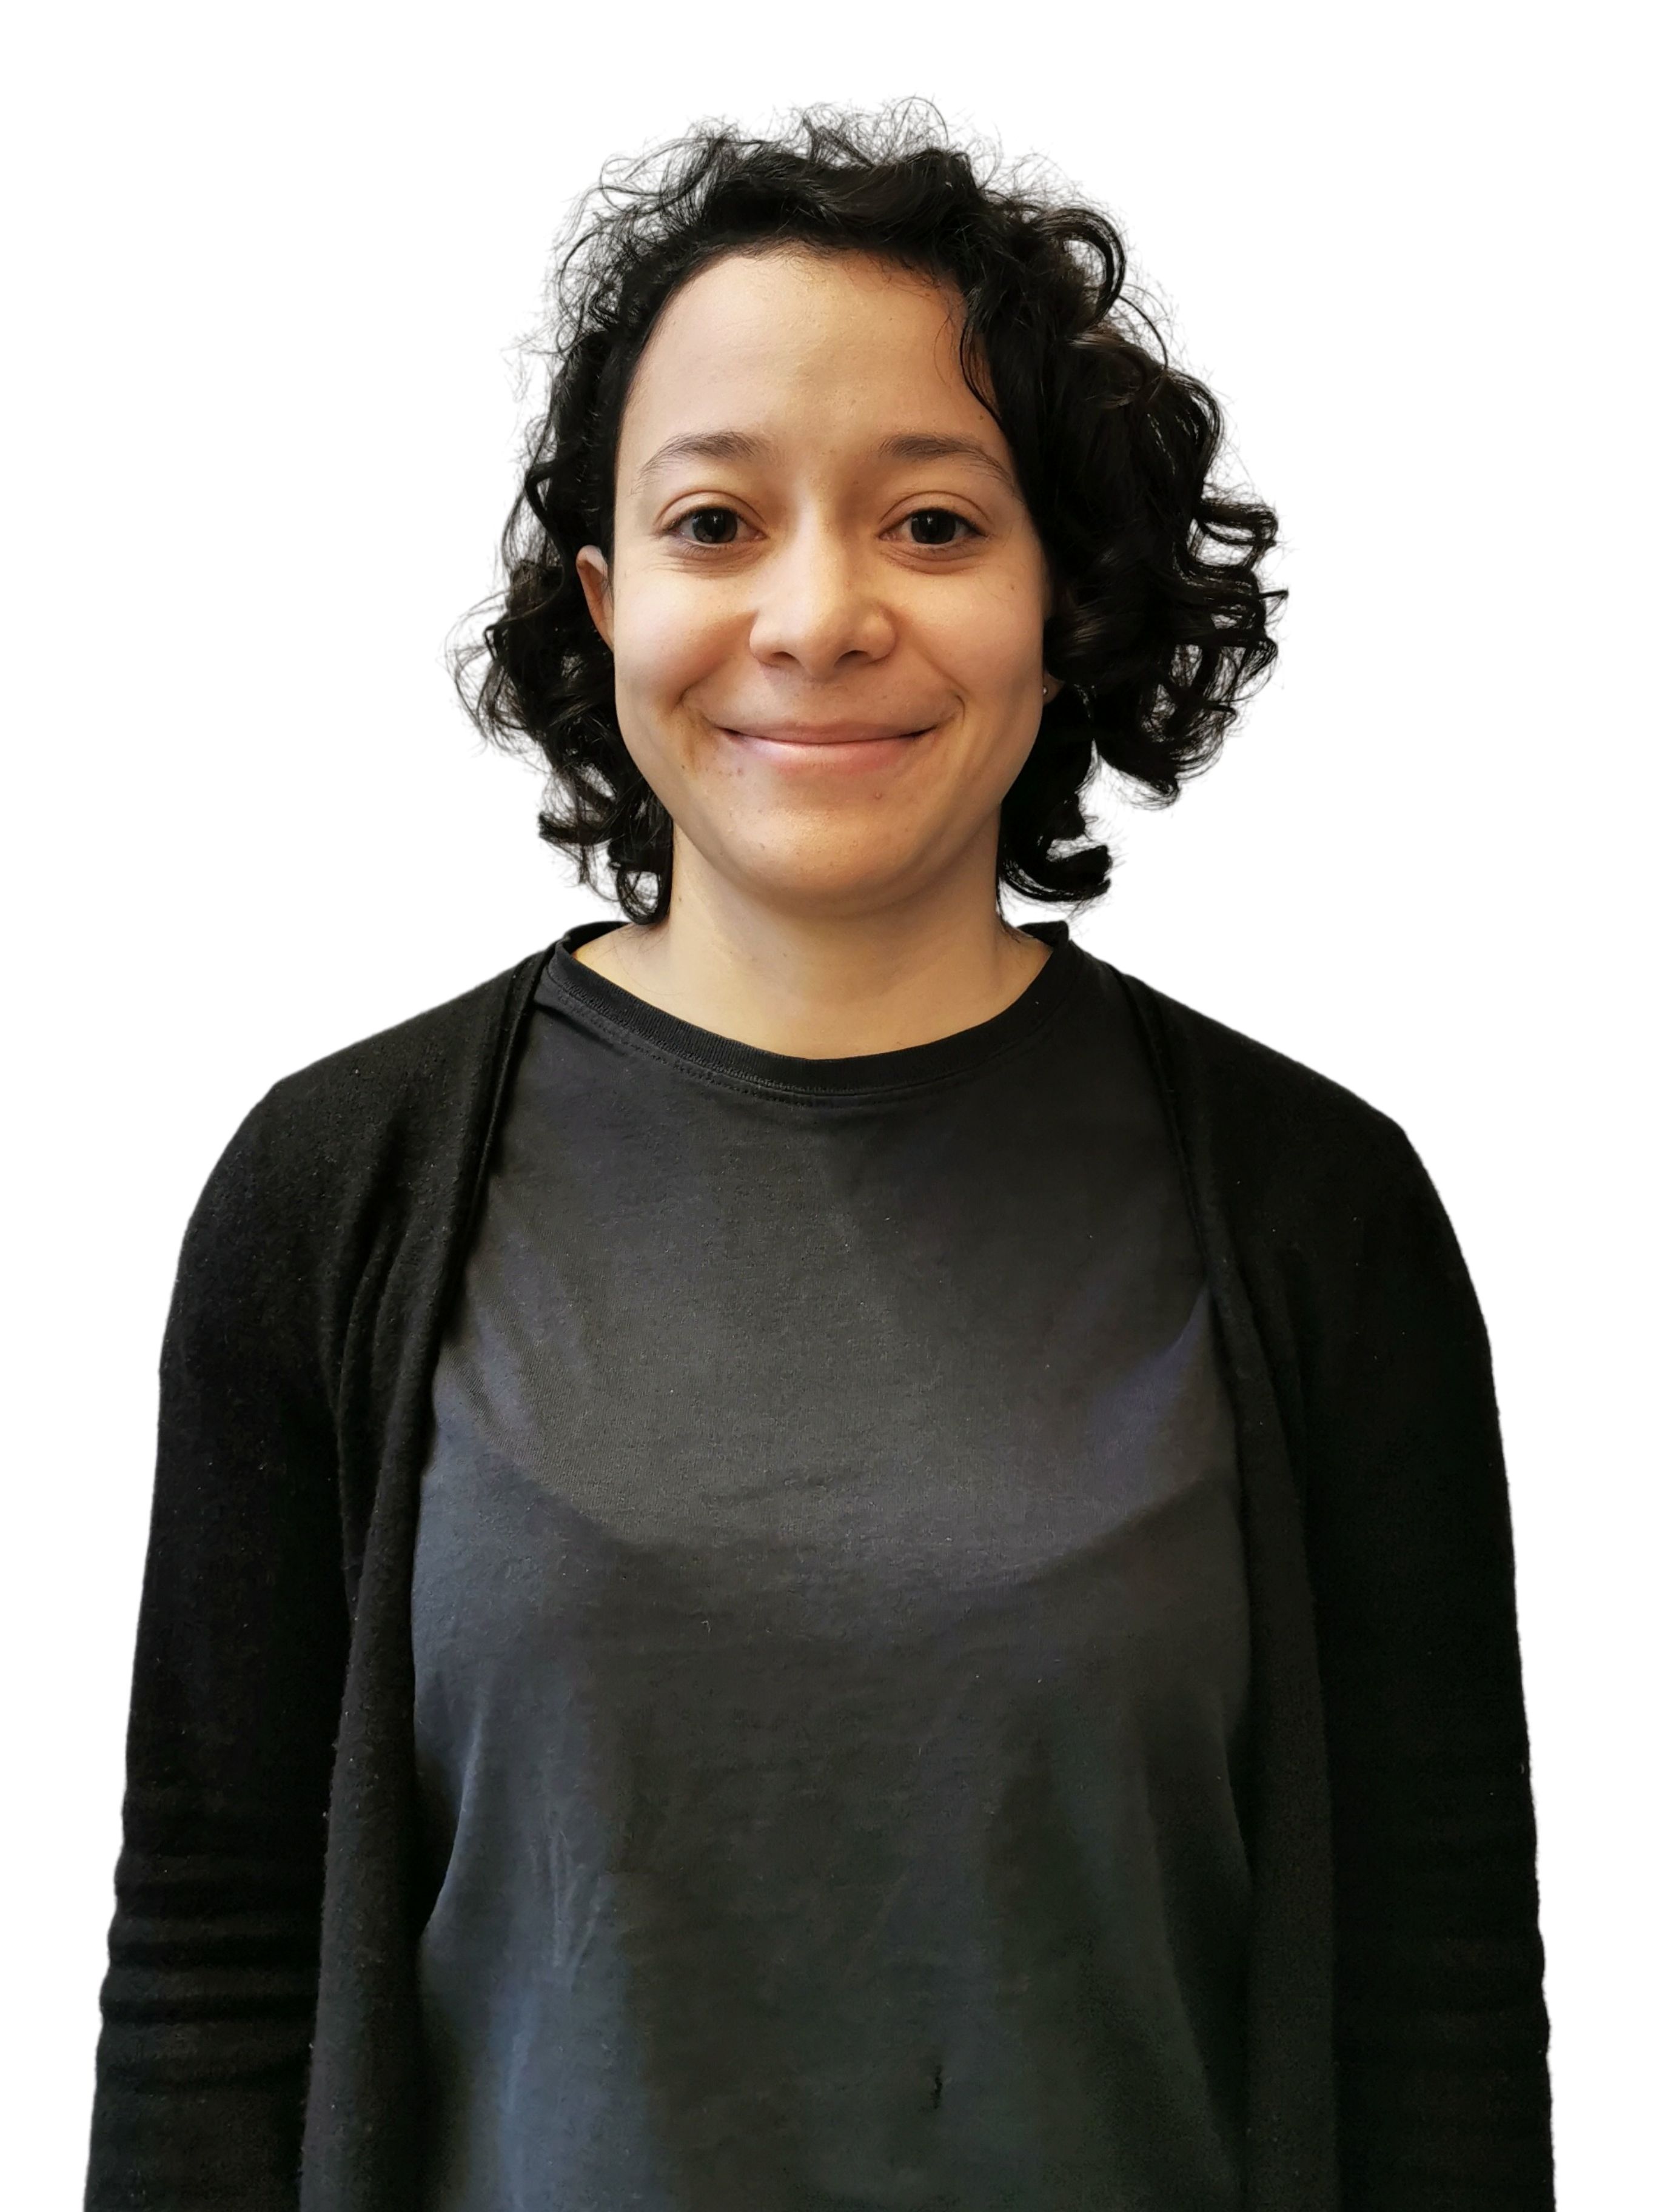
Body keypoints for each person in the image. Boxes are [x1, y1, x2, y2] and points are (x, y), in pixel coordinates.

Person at [85, 106, 1552, 2212]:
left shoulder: (1321, 1213)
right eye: (715, 522)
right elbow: (217, 1966)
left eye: (935, 525)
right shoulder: (334, 1195)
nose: (815, 613)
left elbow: (1435, 1994)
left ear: (1064, 598)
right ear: (607, 600)